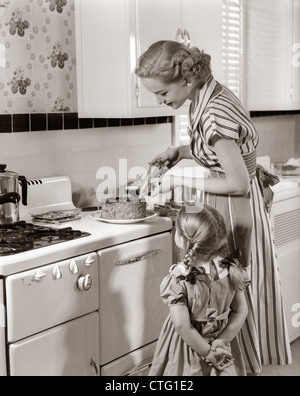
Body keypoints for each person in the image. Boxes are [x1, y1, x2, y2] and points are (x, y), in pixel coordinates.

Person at [135, 40, 292, 374]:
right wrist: (181, 151)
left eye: (162, 93)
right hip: (233, 202)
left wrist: (181, 181)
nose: (160, 101)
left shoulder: (213, 112)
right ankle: (220, 360)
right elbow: (223, 152)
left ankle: (224, 362)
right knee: (220, 287)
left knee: (223, 289)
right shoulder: (207, 95)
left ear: (186, 80)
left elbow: (235, 181)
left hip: (236, 205)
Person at [149, 203, 249, 376]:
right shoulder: (231, 269)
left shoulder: (179, 278)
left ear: (182, 240)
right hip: (221, 341)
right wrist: (221, 341)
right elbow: (241, 311)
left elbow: (182, 325)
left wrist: (208, 353)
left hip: (187, 347)